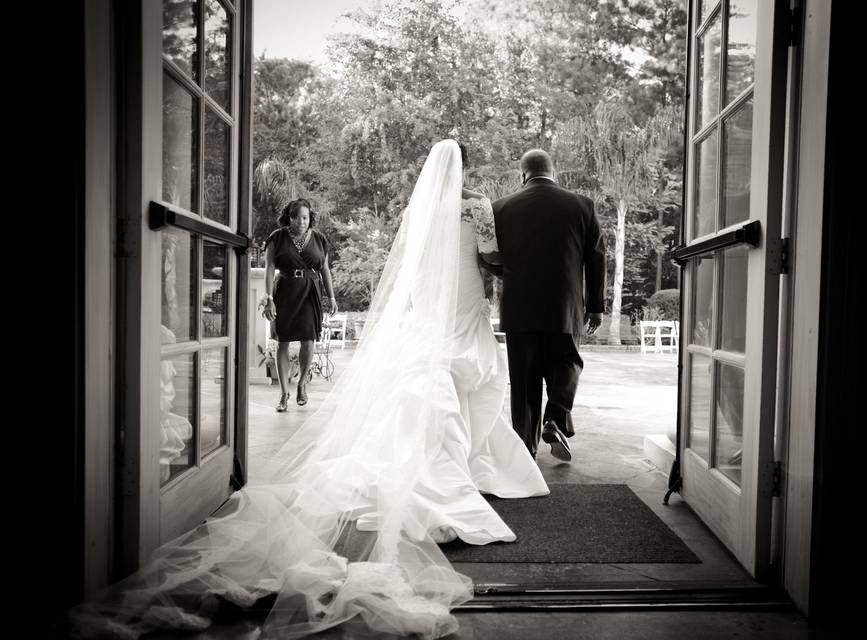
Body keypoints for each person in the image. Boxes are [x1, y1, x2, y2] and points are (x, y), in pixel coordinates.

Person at [70, 140, 547, 640]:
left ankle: (442, 460)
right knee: (476, 381)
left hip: (430, 305)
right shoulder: (476, 205)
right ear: (465, 167)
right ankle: (461, 466)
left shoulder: (418, 207)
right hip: (464, 299)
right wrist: (509, 270)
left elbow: (409, 263)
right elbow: (490, 256)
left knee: (430, 382)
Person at [481, 149, 606, 462]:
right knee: (567, 363)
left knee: (525, 381)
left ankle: (525, 449)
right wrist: (595, 305)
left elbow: (488, 257)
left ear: (522, 175)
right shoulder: (581, 205)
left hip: (519, 307)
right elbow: (596, 258)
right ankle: (556, 416)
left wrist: (509, 273)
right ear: (554, 171)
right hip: (565, 306)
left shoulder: (500, 208)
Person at [261, 198, 338, 411]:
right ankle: (283, 393)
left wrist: (331, 297)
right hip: (284, 291)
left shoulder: (320, 239)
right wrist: (268, 297)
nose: (301, 222)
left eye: (305, 217)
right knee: (282, 340)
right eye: (296, 217)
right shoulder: (277, 237)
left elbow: (324, 270)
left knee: (309, 338)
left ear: (309, 217)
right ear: (289, 218)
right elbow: (269, 268)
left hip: (310, 292)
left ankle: (302, 384)